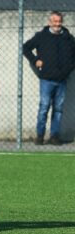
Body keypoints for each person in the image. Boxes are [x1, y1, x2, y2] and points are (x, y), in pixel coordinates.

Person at [23, 11, 75, 145]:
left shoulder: (68, 38)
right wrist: (35, 60)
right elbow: (26, 48)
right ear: (49, 22)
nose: (57, 24)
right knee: (44, 108)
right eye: (54, 22)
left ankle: (54, 136)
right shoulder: (41, 36)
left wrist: (68, 69)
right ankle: (40, 136)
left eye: (59, 22)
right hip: (46, 79)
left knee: (58, 109)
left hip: (62, 80)